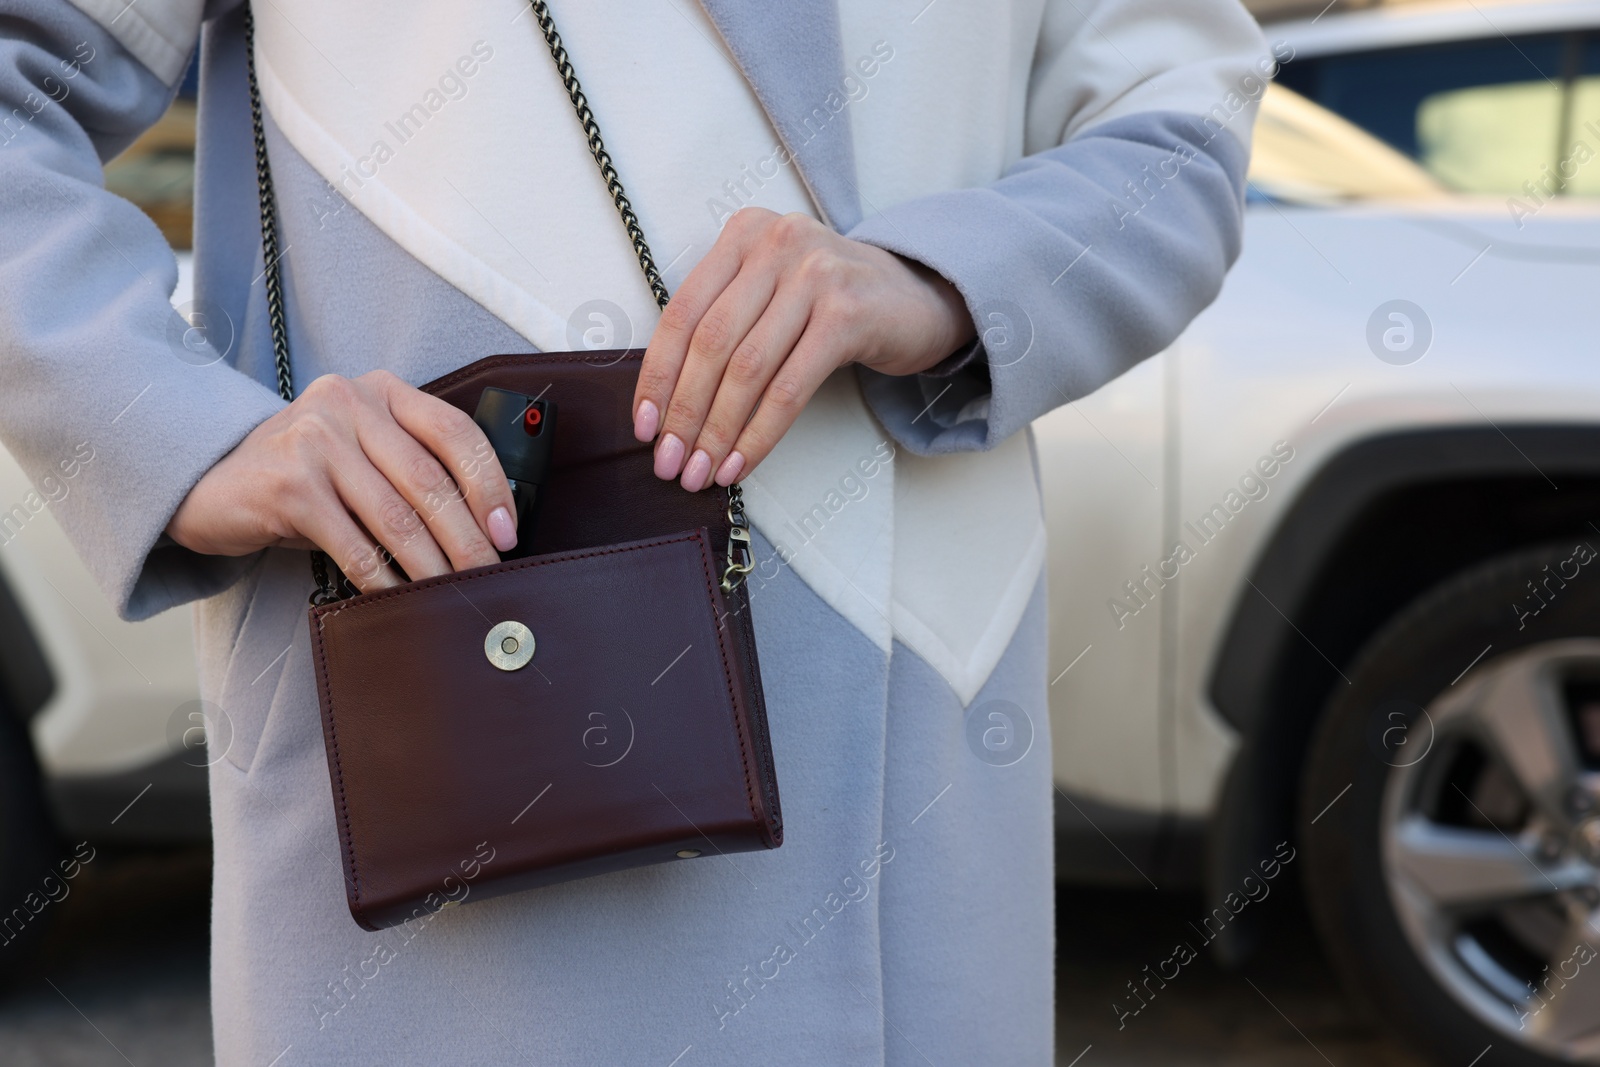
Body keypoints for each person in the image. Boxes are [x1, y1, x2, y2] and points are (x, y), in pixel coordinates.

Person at [0, 0, 1267, 1062]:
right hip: (457, 772)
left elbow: (1177, 129)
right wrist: (175, 428)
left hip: (920, 785)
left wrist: (939, 276)